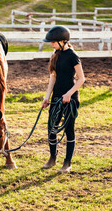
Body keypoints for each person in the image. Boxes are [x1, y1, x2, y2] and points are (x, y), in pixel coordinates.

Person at [41, 25, 85, 173]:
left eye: (53, 42)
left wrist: (69, 94)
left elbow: (81, 79)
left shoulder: (73, 56)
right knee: (51, 129)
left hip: (70, 99)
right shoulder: (55, 54)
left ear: (63, 41)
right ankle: (52, 158)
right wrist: (47, 97)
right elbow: (53, 78)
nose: (51, 44)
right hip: (56, 98)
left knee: (69, 130)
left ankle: (67, 162)